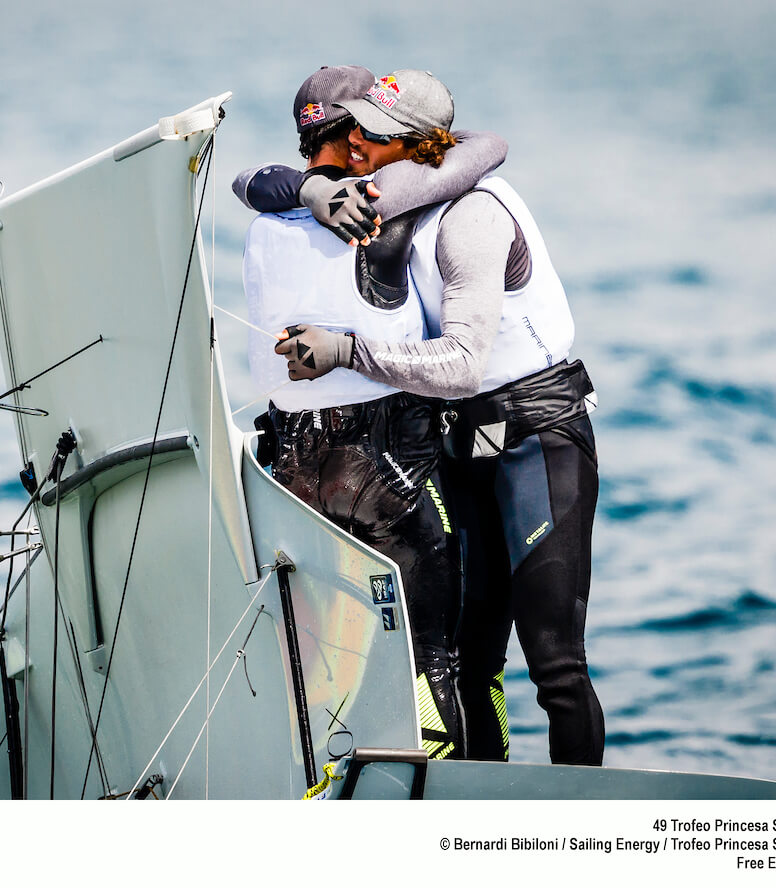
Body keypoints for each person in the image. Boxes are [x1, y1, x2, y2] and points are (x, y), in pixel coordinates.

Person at [274, 70, 605, 766]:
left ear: (414, 145)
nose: (353, 142)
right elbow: (261, 180)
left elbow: (459, 365)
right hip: (464, 444)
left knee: (554, 662)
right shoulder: (406, 203)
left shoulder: (471, 218)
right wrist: (309, 189)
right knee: (472, 654)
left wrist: (344, 351)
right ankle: (484, 793)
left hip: (538, 439)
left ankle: (583, 816)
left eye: (369, 132)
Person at [238, 65, 508, 763]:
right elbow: (481, 148)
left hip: (291, 467)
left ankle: (318, 783)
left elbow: (249, 180)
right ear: (352, 129)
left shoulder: (266, 220)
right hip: (390, 461)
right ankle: (447, 795)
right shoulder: (385, 201)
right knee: (433, 654)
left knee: (312, 665)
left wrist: (306, 186)